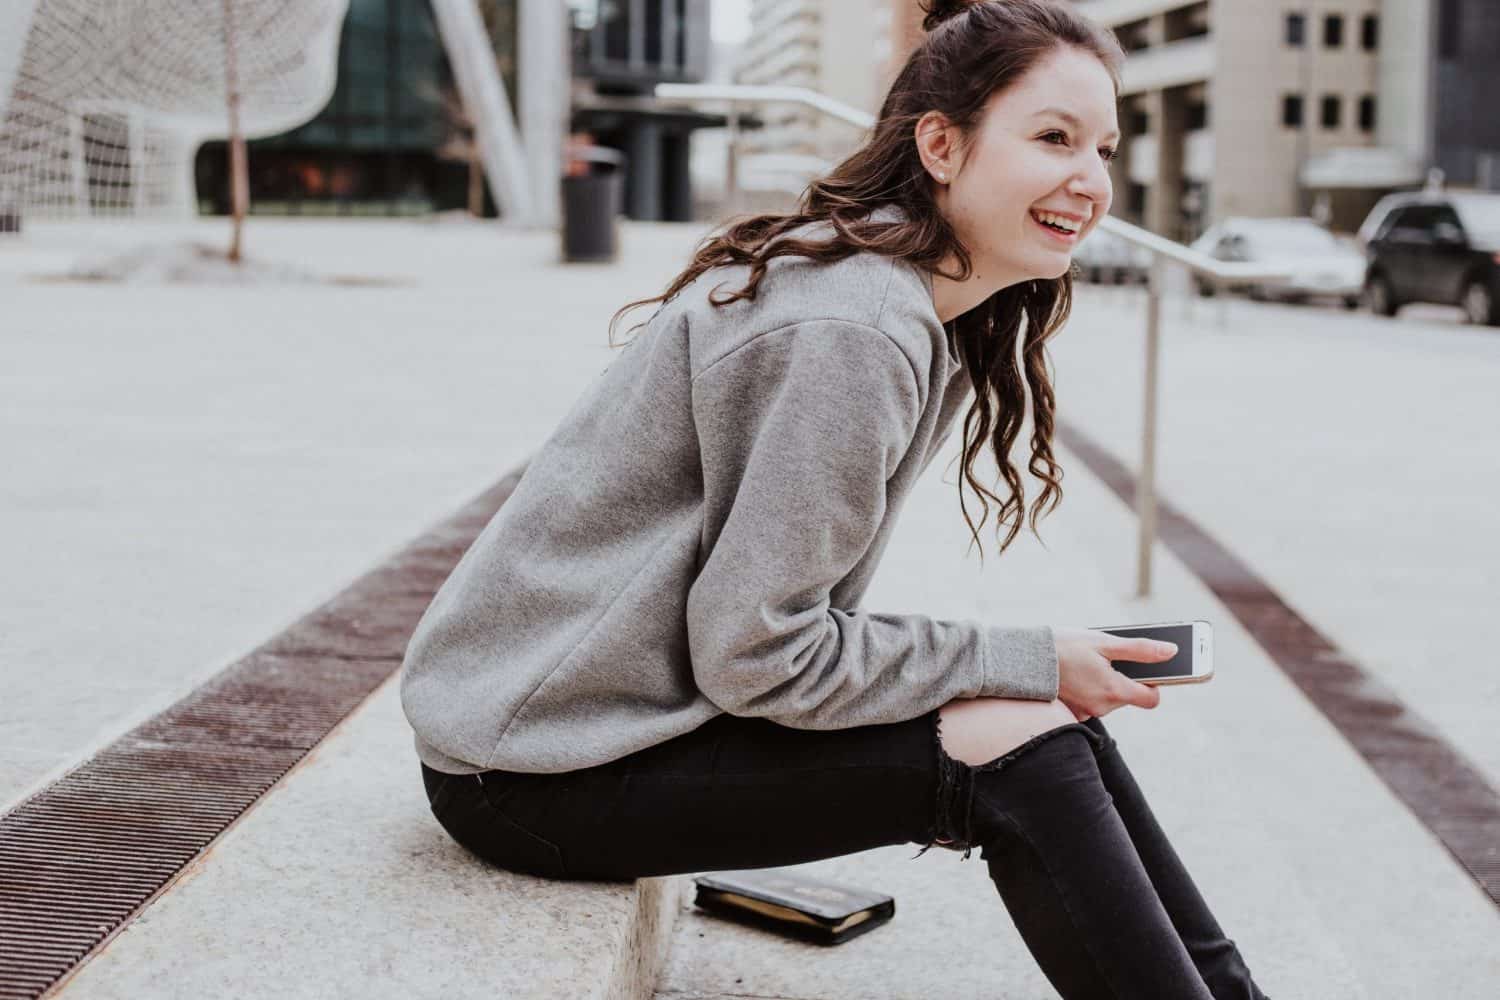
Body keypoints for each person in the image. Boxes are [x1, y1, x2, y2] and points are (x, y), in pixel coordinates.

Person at [401, 1, 1271, 996]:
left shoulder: (886, 295)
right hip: (534, 771)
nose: (1093, 180)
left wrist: (1030, 667)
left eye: (1105, 147)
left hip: (595, 718)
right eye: (1054, 139)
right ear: (941, 144)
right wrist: (1022, 658)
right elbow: (759, 651)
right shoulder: (856, 327)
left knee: (1046, 716)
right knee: (1023, 744)